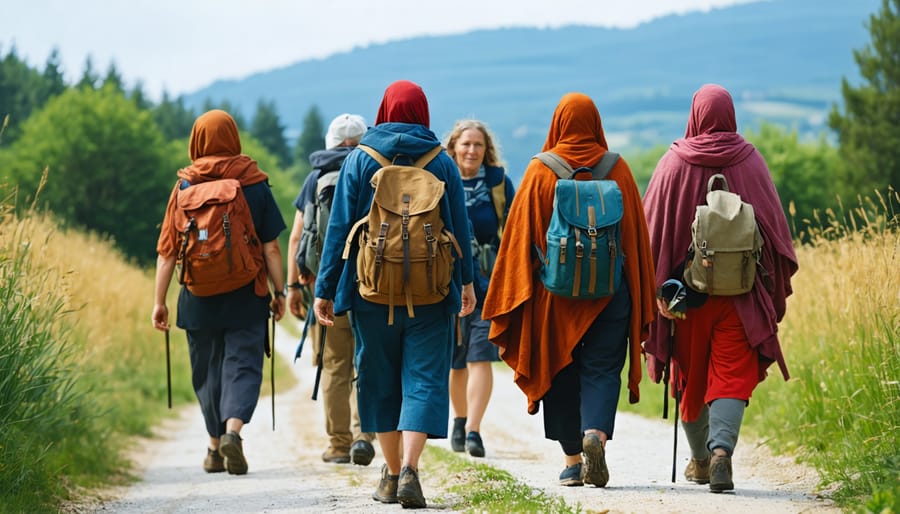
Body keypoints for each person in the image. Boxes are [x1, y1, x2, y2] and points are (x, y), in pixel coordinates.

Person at [312, 80, 476, 509]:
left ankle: (388, 472)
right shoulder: (440, 162)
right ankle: (410, 470)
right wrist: (467, 283)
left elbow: (338, 230)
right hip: (432, 292)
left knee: (379, 380)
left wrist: (324, 289)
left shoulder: (360, 159)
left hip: (370, 292)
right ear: (422, 111)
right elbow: (460, 228)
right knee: (423, 379)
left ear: (384, 110)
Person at [482, 93, 657, 487]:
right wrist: (640, 293)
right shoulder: (618, 169)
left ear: (557, 124)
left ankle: (573, 461)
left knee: (559, 367)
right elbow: (635, 240)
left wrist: (513, 297)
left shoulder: (540, 172)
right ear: (595, 123)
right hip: (610, 293)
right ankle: (595, 433)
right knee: (602, 368)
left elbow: (517, 243)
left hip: (555, 296)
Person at [641, 84, 798, 493]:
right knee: (729, 373)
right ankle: (722, 453)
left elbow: (652, 234)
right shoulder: (750, 160)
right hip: (740, 296)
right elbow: (779, 237)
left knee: (690, 376)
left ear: (695, 115)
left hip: (688, 299)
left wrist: (659, 292)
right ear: (730, 115)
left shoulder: (673, 163)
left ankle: (700, 461)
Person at [151, 109, 286, 475]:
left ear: (197, 140)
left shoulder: (183, 188)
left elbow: (167, 252)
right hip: (247, 292)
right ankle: (231, 433)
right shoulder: (254, 183)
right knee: (242, 364)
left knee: (207, 372)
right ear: (233, 137)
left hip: (197, 298)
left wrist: (159, 302)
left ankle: (213, 446)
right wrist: (280, 292)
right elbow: (271, 248)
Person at [285, 113, 376, 465]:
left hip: (329, 287)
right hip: (371, 285)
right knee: (366, 360)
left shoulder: (316, 179)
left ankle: (339, 444)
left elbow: (297, 237)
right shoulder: (373, 171)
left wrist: (293, 286)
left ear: (330, 141)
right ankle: (364, 435)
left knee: (335, 365)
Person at [444, 119, 516, 458]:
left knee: (480, 356)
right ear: (454, 146)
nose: (472, 151)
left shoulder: (499, 184)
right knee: (455, 361)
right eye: (466, 144)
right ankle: (459, 421)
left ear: (487, 151)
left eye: (478, 145)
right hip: (446, 282)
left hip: (489, 284)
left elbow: (515, 232)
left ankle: (473, 429)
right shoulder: (439, 180)